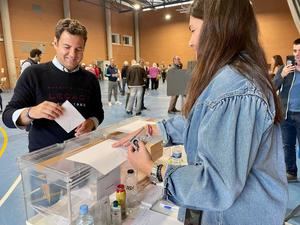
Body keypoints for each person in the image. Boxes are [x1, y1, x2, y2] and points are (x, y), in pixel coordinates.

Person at [113, 0, 287, 224]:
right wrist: (155, 128)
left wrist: (151, 168)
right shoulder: (234, 77)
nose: (190, 42)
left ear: (217, 31)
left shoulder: (235, 88)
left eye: (193, 31)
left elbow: (215, 186)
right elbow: (207, 121)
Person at [2, 18, 104, 152]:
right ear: (55, 43)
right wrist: (31, 112)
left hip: (81, 152)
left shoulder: (90, 79)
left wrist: (92, 123)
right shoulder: (33, 74)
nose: (72, 54)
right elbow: (8, 116)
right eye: (67, 47)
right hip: (44, 157)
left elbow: (98, 112)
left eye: (78, 49)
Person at [273, 38, 300, 181]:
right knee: (287, 145)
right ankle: (291, 172)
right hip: (286, 114)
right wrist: (281, 75)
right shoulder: (284, 70)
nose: (297, 54)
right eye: (295, 51)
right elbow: (271, 88)